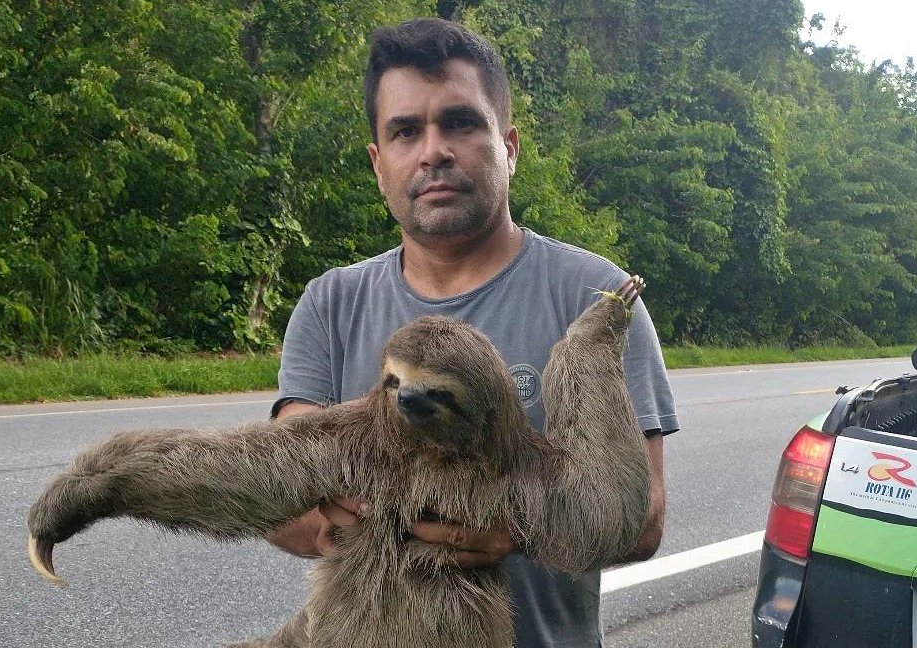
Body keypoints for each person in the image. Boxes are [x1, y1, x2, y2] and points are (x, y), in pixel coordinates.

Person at [267, 17, 679, 648]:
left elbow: (641, 519)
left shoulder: (591, 297)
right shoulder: (332, 303)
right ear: (379, 163)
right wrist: (364, 523)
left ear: (508, 145)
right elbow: (279, 496)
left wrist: (513, 525)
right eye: (406, 131)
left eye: (460, 122)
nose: (434, 150)